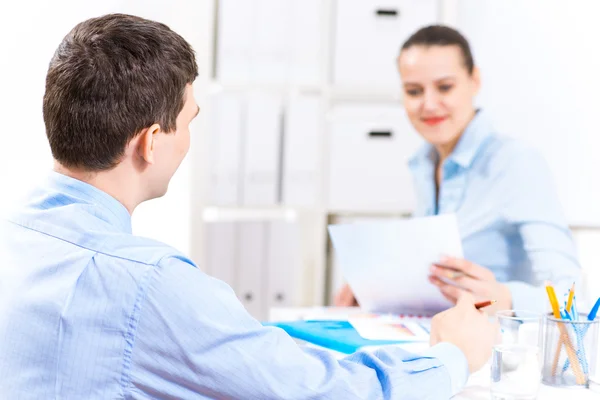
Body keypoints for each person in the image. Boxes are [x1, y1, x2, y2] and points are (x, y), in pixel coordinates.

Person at [0, 14, 497, 399]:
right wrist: (453, 356)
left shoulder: (16, 237)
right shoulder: (148, 284)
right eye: (189, 120)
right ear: (151, 141)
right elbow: (331, 393)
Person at [335, 25, 581, 313]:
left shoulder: (516, 163)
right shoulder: (423, 165)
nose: (429, 104)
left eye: (445, 87)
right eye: (414, 91)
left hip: (497, 348)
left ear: (474, 81)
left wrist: (508, 299)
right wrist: (376, 287)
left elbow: (573, 295)